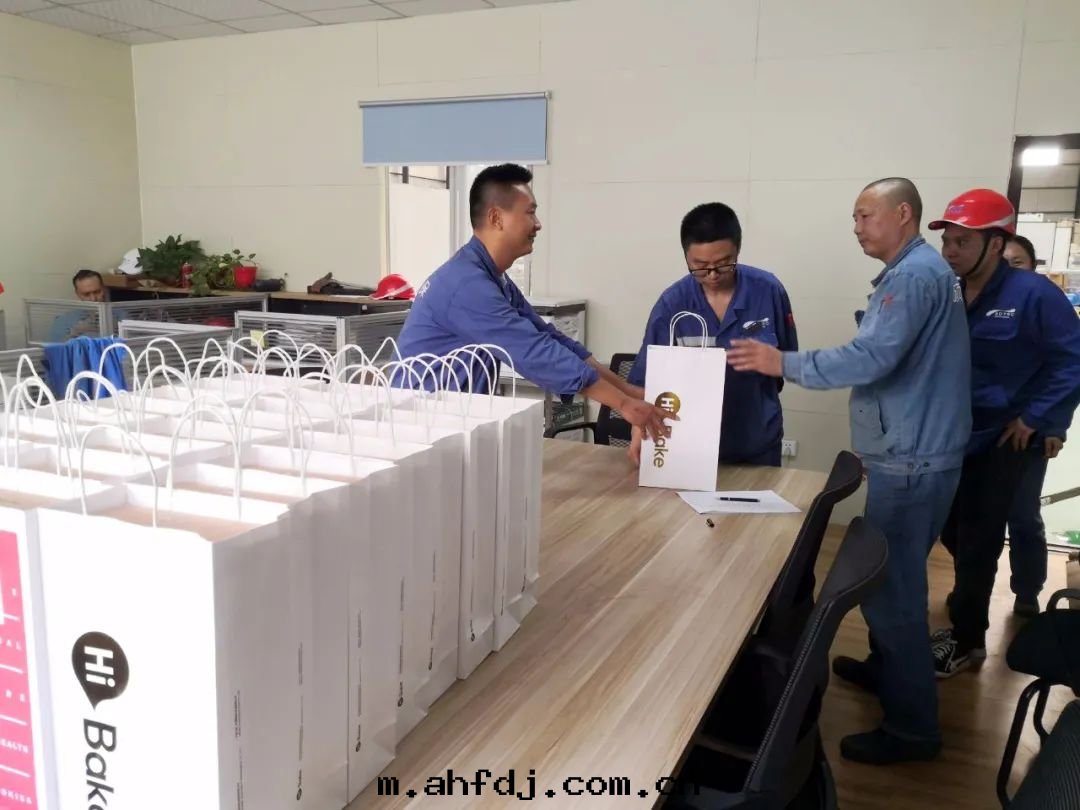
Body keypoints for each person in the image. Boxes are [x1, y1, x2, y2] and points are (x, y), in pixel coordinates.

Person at [727, 178, 971, 764]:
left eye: (865, 215)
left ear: (903, 214)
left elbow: (871, 358)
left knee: (893, 593)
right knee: (895, 580)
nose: (856, 227)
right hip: (911, 449)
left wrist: (780, 362)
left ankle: (912, 730)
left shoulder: (912, 278)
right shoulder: (919, 273)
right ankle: (888, 671)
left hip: (913, 458)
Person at [396, 163, 672, 440]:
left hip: (449, 421)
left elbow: (549, 338)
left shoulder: (493, 278)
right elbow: (534, 351)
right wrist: (623, 404)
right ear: (496, 218)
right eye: (530, 212)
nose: (537, 224)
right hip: (418, 426)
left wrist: (629, 392)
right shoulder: (466, 285)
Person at [928, 190, 1080, 677]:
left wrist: (1036, 418)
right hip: (956, 433)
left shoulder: (1034, 295)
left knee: (980, 537)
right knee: (953, 530)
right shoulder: (950, 292)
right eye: (947, 241)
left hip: (1004, 439)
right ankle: (968, 607)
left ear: (996, 244)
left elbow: (1072, 361)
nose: (950, 251)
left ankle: (967, 640)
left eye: (962, 241)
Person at [625, 203, 797, 467]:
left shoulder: (768, 291)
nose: (713, 275)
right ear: (686, 257)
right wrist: (638, 430)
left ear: (737, 250)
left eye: (723, 264)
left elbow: (785, 362)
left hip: (758, 442)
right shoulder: (673, 304)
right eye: (701, 266)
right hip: (688, 445)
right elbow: (647, 379)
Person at [1001, 235, 1062, 617]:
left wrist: (1052, 424)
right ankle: (969, 594)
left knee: (1022, 514)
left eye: (1017, 262)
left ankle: (1027, 590)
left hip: (1028, 431)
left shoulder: (1044, 303)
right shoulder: (980, 301)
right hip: (984, 430)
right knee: (974, 518)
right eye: (1003, 262)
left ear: (1033, 267)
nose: (1009, 270)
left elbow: (1065, 368)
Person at [48, 269, 108, 342]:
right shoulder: (63, 321)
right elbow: (56, 347)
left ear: (104, 289)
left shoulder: (120, 316)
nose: (93, 299)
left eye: (97, 292)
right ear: (77, 294)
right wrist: (75, 332)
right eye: (86, 294)